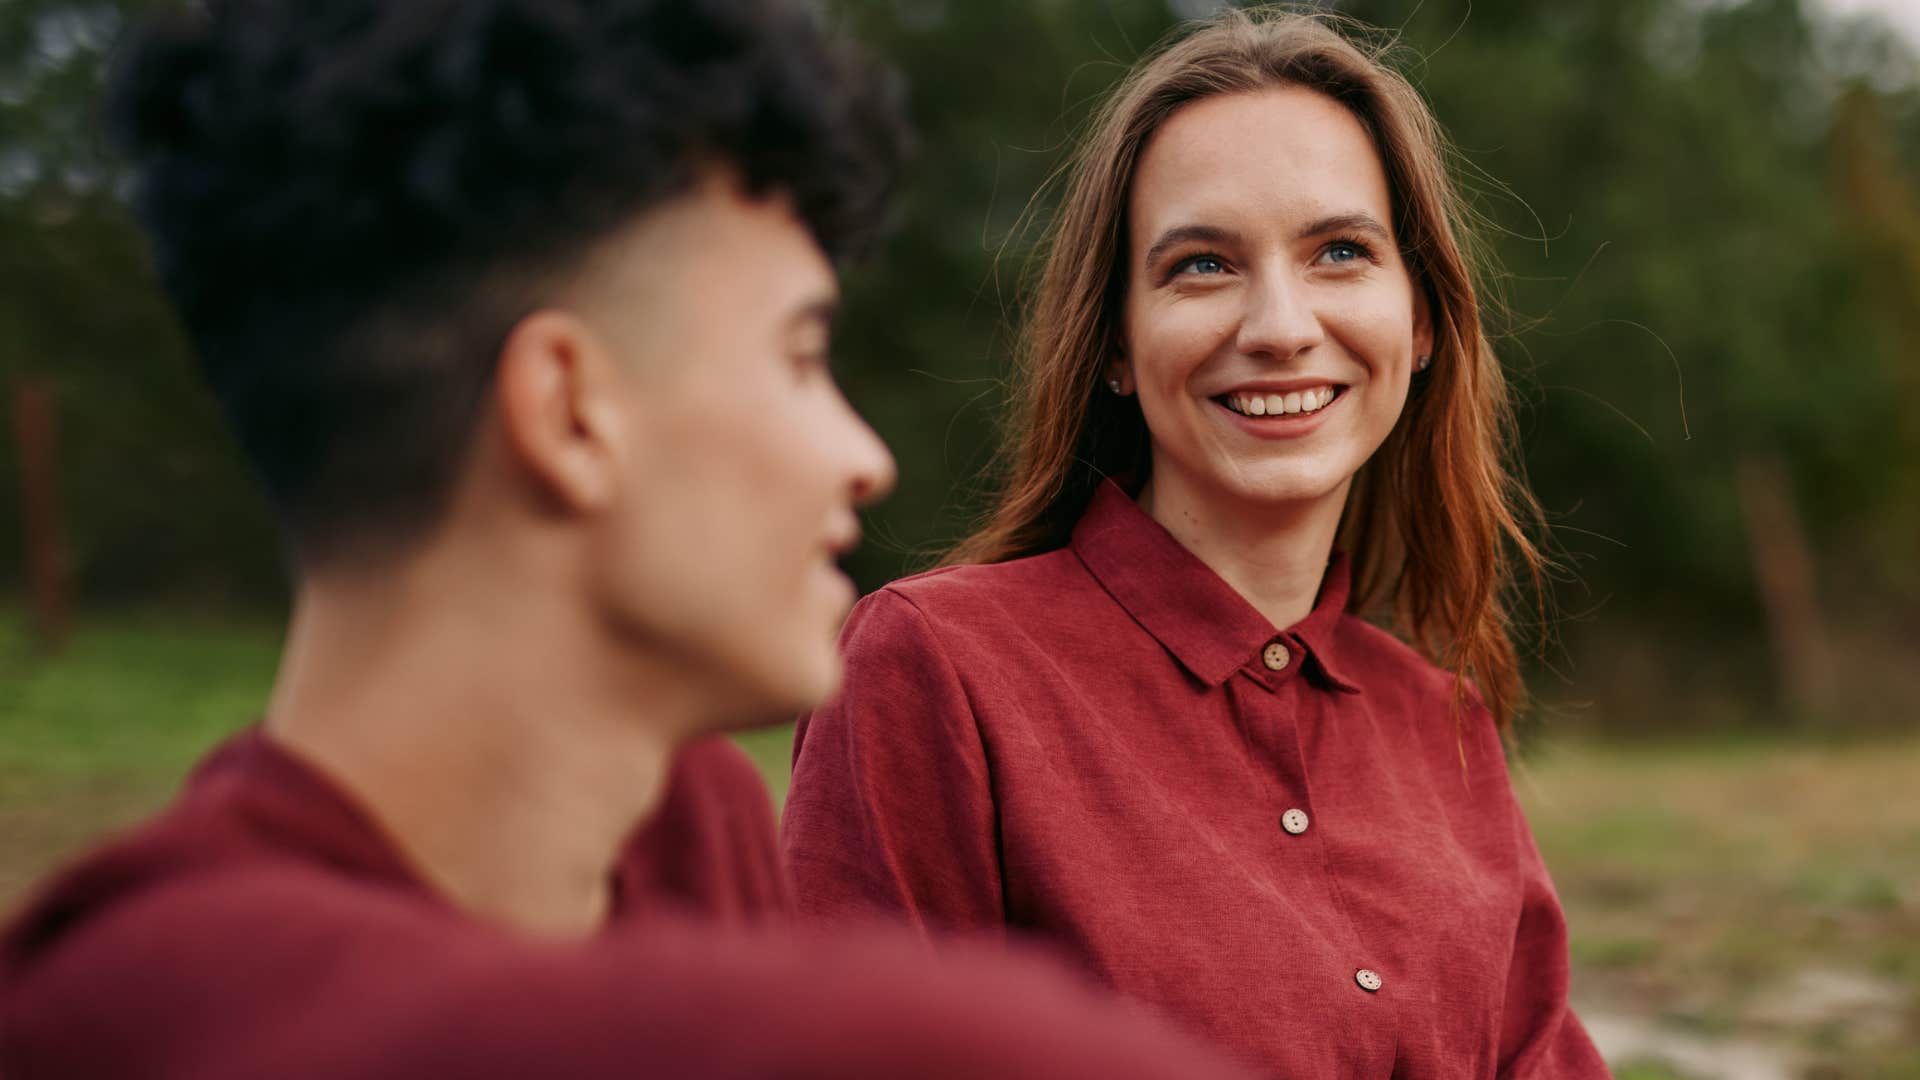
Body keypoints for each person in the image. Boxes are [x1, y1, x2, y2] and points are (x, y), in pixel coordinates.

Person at [0, 2, 1258, 1077]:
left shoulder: (680, 832)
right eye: (802, 354)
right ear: (569, 411)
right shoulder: (140, 1010)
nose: (860, 453)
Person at [783, 9, 1611, 1078]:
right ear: (1117, 343)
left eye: (1342, 253)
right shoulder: (933, 668)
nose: (1278, 326)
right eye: (1204, 265)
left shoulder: (1441, 723)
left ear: (1419, 325)